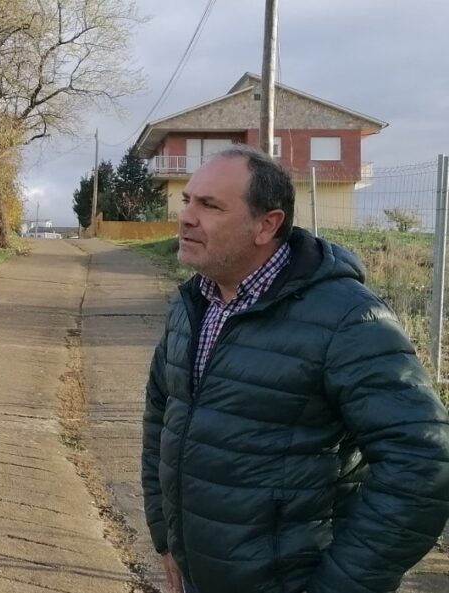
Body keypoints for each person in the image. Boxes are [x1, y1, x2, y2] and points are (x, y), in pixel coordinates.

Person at [141, 144, 449, 593]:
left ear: (267, 225)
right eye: (188, 199)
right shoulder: (195, 301)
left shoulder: (347, 318)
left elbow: (423, 458)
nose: (186, 216)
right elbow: (159, 416)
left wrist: (342, 585)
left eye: (209, 205)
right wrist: (166, 538)